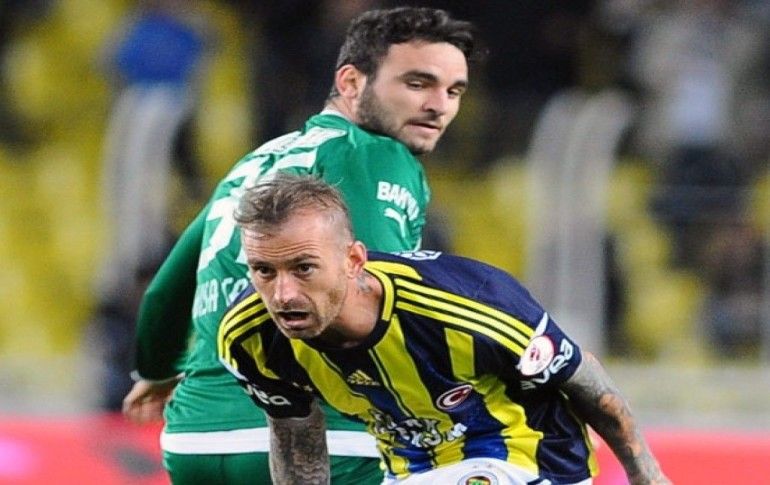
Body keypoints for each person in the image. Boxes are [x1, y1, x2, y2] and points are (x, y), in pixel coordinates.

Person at [122, 7, 478, 484]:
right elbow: (381, 294)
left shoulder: (256, 163)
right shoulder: (375, 153)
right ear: (351, 82)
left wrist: (155, 373)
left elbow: (168, 290)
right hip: (325, 439)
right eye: (418, 84)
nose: (439, 106)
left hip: (196, 439)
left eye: (454, 91)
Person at [217, 174, 671, 485]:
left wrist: (647, 476)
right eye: (264, 271)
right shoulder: (248, 337)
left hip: (528, 458)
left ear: (353, 260)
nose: (283, 294)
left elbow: (582, 376)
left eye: (304, 268)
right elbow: (294, 431)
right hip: (411, 470)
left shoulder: (470, 304)